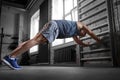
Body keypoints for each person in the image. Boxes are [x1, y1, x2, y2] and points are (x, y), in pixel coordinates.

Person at [2, 20, 101, 70]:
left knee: (34, 40)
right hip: (54, 27)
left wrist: (86, 45)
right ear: (84, 30)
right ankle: (11, 57)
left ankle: (11, 57)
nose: (83, 35)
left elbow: (78, 42)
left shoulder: (75, 33)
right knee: (36, 41)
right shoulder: (81, 25)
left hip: (52, 26)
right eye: (84, 34)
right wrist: (99, 41)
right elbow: (91, 33)